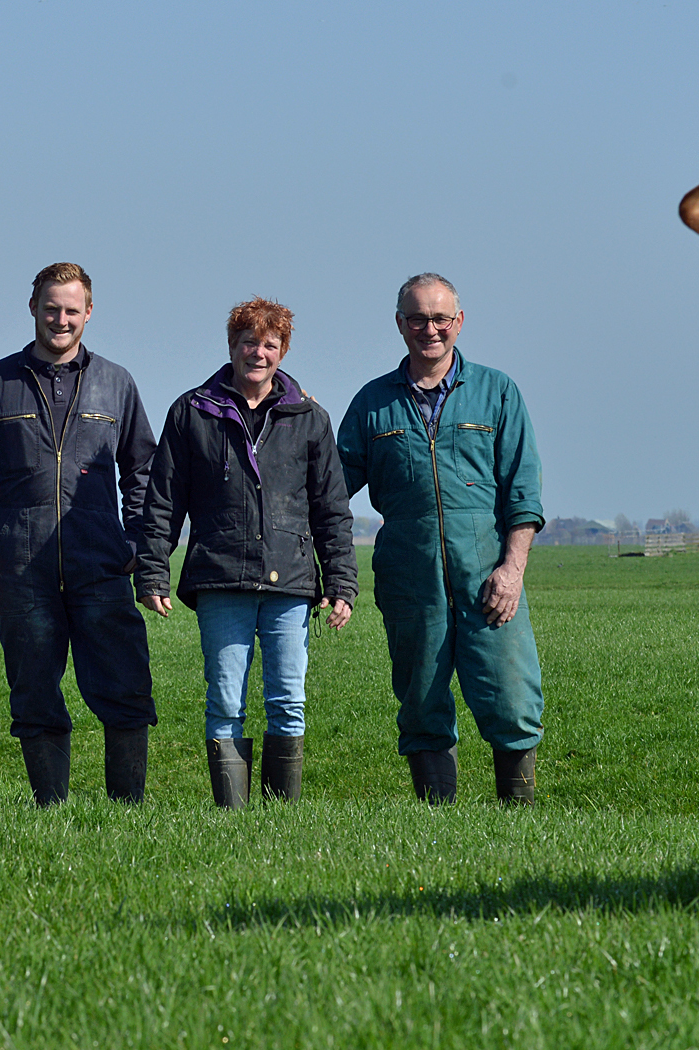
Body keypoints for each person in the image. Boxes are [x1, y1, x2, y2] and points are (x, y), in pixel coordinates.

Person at [0, 263, 158, 805]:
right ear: (32, 306)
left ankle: (127, 811)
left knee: (125, 685)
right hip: (20, 566)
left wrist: (137, 543)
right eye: (51, 308)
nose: (61, 319)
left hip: (102, 563)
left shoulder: (117, 383)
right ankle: (50, 808)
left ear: (89, 312)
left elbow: (143, 473)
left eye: (71, 310)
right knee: (33, 689)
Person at [137, 298, 357, 808]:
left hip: (292, 583)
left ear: (282, 352)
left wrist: (341, 583)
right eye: (249, 343)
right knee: (225, 701)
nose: (258, 353)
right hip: (220, 577)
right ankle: (232, 817)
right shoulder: (191, 412)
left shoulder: (310, 417)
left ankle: (281, 815)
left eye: (270, 345)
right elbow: (164, 499)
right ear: (232, 346)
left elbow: (331, 509)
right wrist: (152, 572)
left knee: (288, 702)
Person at [336, 273, 546, 804]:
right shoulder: (372, 403)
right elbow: (330, 488)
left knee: (512, 697)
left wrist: (512, 569)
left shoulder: (497, 392)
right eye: (416, 318)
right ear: (400, 324)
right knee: (421, 700)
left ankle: (518, 819)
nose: (429, 329)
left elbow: (523, 491)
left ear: (458, 322)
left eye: (440, 318)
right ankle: (437, 822)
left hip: (488, 574)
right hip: (410, 576)